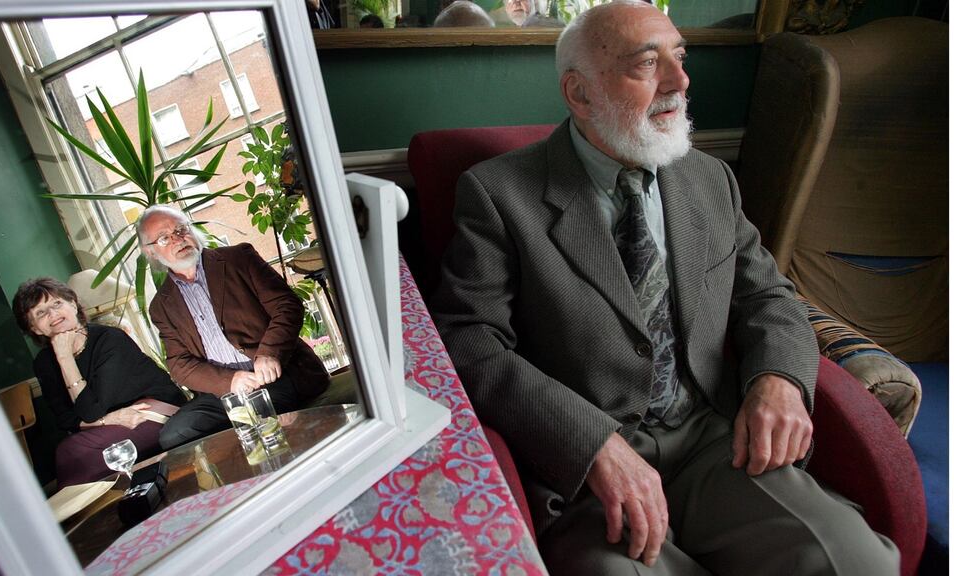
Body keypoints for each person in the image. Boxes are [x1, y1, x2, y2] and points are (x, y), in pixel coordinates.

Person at [431, 2, 900, 574]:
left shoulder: (710, 179)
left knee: (855, 563)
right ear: (579, 94)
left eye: (678, 57)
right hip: (585, 469)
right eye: (646, 64)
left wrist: (778, 378)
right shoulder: (499, 194)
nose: (680, 82)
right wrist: (593, 444)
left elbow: (768, 296)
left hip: (715, 443)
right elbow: (469, 340)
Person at [137, 205, 330, 450]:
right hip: (226, 389)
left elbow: (287, 306)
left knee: (259, 415)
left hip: (276, 375)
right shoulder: (162, 306)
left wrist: (269, 353)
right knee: (174, 435)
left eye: (181, 229)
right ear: (151, 252)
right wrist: (231, 380)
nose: (178, 238)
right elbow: (179, 364)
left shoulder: (238, 259)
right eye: (165, 237)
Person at [12, 278, 185, 488]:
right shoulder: (43, 363)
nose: (52, 314)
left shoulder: (109, 339)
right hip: (113, 423)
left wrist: (65, 358)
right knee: (74, 453)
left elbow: (90, 412)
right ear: (35, 328)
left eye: (56, 304)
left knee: (74, 452)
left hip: (154, 414)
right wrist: (108, 420)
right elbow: (65, 419)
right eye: (40, 313)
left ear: (73, 304)